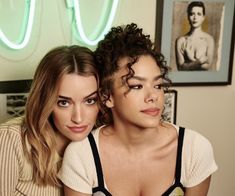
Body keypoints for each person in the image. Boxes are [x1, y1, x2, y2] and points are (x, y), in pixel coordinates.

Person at [59, 23, 218, 195]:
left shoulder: (194, 150)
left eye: (157, 85)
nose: (153, 96)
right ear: (107, 96)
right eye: (136, 86)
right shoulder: (82, 156)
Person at [0, 45, 100, 196]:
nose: (78, 118)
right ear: (44, 101)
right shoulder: (11, 140)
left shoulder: (101, 146)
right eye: (64, 103)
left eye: (90, 101)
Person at [175, 1, 215, 71]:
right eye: (192, 14)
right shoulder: (181, 41)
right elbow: (181, 68)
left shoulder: (209, 39)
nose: (195, 17)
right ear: (188, 16)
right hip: (185, 80)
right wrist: (200, 61)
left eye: (199, 14)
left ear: (203, 17)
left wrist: (190, 58)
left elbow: (207, 67)